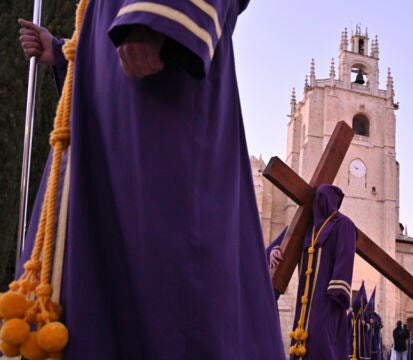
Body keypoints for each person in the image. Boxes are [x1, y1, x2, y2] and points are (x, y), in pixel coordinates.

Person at [15, 0, 285, 358]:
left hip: (160, 59)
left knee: (163, 288)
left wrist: (155, 15)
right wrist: (66, 51)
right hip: (119, 56)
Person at [288, 184, 357, 359]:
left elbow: (345, 256)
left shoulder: (344, 224)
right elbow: (285, 242)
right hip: (305, 300)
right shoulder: (307, 228)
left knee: (323, 344)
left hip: (328, 300)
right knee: (301, 339)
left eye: (323, 197)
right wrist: (275, 251)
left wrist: (337, 292)